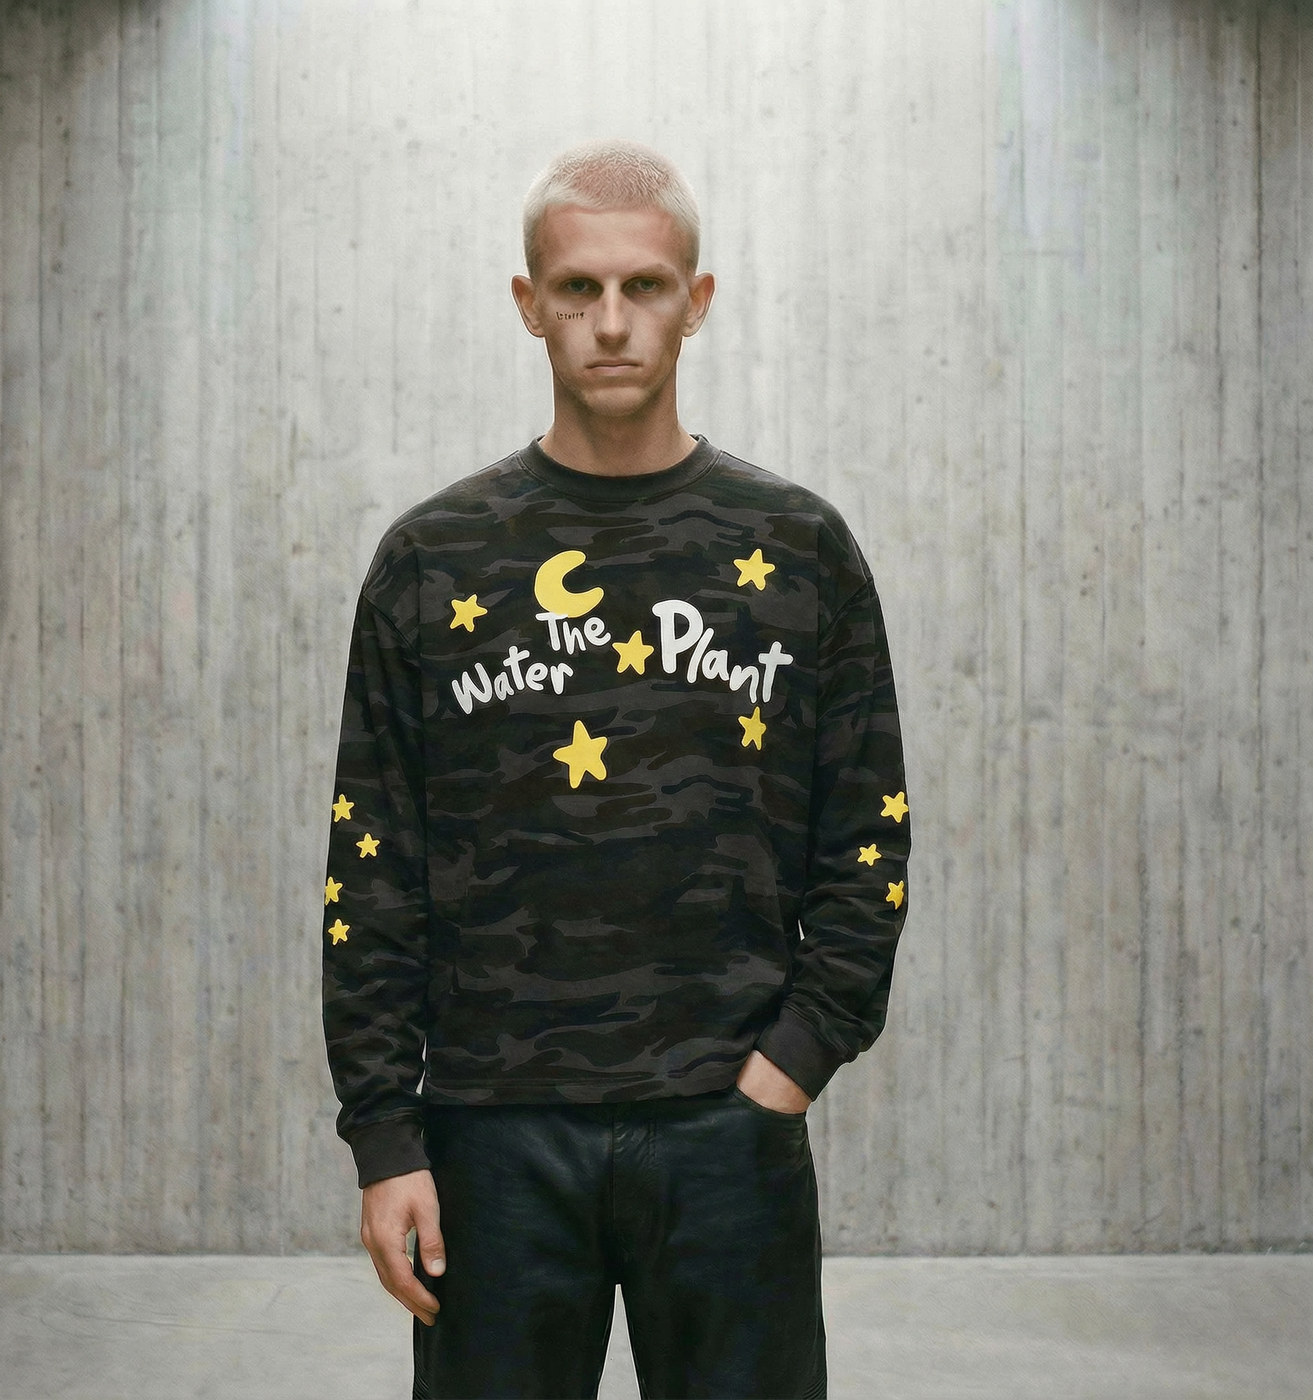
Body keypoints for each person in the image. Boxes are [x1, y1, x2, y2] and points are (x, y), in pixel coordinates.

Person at [321, 139, 910, 1400]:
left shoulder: (796, 547)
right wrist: (383, 1133)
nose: (608, 322)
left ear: (696, 301)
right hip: (490, 1134)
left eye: (643, 286)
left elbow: (868, 835)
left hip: (726, 1128)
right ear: (526, 302)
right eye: (576, 288)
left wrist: (792, 1061)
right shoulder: (433, 558)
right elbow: (371, 864)